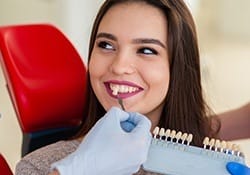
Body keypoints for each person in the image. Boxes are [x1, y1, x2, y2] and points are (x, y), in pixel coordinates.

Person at [15, 0, 249, 175]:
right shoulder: (39, 166)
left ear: (177, 68)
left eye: (147, 50)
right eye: (106, 45)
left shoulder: (217, 165)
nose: (119, 66)